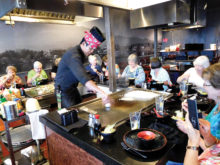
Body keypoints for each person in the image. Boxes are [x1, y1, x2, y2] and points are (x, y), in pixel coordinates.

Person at [55, 26, 110, 108]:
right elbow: (82, 76)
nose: (91, 52)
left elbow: (79, 74)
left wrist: (91, 86)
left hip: (72, 89)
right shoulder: (74, 55)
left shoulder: (80, 54)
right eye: (90, 49)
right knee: (70, 115)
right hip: (62, 92)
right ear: (84, 43)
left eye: (93, 50)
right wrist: (103, 93)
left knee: (80, 110)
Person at [177, 62, 220, 165]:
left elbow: (215, 152)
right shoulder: (217, 104)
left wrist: (193, 136)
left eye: (207, 84)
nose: (204, 86)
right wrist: (194, 113)